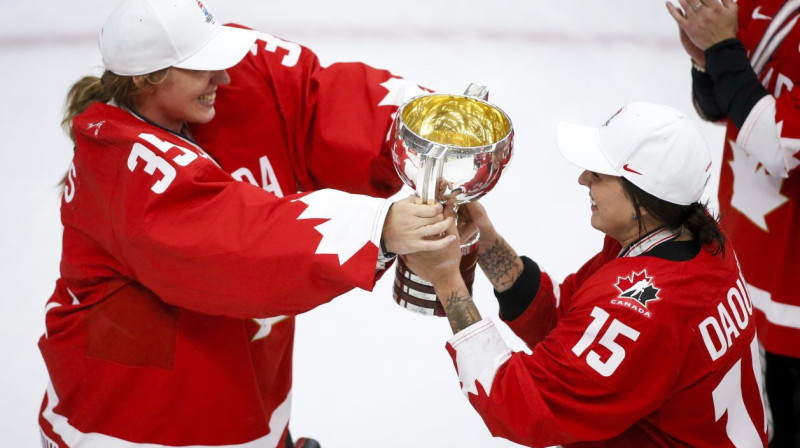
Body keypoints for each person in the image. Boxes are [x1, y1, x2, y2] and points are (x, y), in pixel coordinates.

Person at [37, 0, 457, 447]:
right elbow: (235, 243)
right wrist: (377, 227)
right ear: (145, 78)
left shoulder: (216, 86)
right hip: (131, 426)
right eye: (201, 67)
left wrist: (420, 130)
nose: (221, 76)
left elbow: (309, 100)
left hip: (241, 407)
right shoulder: (119, 170)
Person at [403, 102, 769, 447]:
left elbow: (518, 405)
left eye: (598, 173)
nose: (582, 179)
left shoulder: (640, 310)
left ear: (642, 198)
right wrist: (485, 238)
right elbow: (567, 319)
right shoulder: (692, 239)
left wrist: (447, 280)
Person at [666, 0, 800, 445]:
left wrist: (721, 46)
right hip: (755, 254)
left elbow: (781, 147)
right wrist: (705, 58)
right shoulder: (762, 4)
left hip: (792, 275)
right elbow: (720, 105)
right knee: (775, 399)